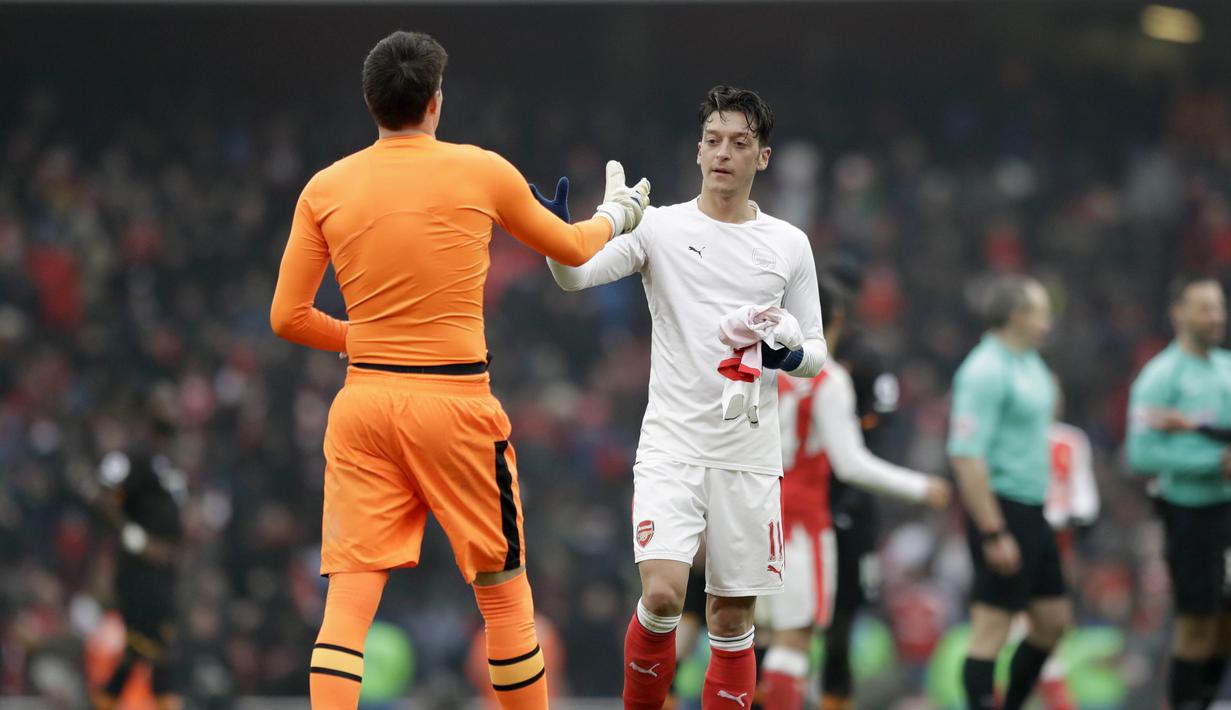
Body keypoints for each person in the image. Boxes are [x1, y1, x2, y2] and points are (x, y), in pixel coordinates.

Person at [269, 30, 650, 710]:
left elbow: (287, 316)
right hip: (455, 404)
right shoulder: (480, 170)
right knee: (504, 598)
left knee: (350, 603)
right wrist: (615, 216)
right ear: (436, 103)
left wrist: (362, 338)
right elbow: (567, 245)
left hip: (363, 406)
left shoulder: (325, 187)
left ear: (369, 102)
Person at [543, 85, 827, 709]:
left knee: (729, 620)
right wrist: (557, 234)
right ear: (697, 151)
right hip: (672, 445)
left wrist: (789, 355)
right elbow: (574, 276)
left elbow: (816, 352)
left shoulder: (788, 244)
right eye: (713, 141)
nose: (723, 153)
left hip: (749, 455)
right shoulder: (661, 228)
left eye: (739, 143)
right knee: (666, 594)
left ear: (763, 158)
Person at [758, 277, 950, 710]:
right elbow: (850, 464)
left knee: (750, 641)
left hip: (751, 518)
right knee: (793, 643)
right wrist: (920, 487)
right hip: (802, 525)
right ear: (838, 319)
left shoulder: (758, 366)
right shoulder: (828, 377)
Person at [948, 275, 1069, 710]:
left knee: (1052, 621)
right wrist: (993, 531)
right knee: (992, 626)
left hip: (1034, 506)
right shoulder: (984, 370)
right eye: (1041, 313)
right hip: (1001, 506)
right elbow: (966, 455)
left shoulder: (1030, 362)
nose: (1048, 323)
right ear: (1017, 316)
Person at [1127, 276, 1231, 710]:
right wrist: (1211, 463)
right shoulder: (1158, 378)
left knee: (1225, 622)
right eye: (1205, 308)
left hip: (1228, 508)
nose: (1217, 317)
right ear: (1179, 314)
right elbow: (1140, 454)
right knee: (1196, 622)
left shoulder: (1227, 366)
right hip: (1190, 513)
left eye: (1220, 307)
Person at [819, 259, 904, 710]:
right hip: (801, 498)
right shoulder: (789, 352)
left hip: (850, 501)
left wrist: (849, 430)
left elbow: (883, 421)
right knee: (776, 620)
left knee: (843, 618)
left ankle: (835, 699)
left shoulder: (866, 358)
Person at [77, 393, 186, 710]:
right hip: (140, 570)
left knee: (140, 651)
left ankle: (104, 702)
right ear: (149, 414)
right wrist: (133, 537)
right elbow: (99, 494)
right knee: (162, 648)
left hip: (163, 569)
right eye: (168, 404)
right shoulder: (134, 454)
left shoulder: (164, 460)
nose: (175, 411)